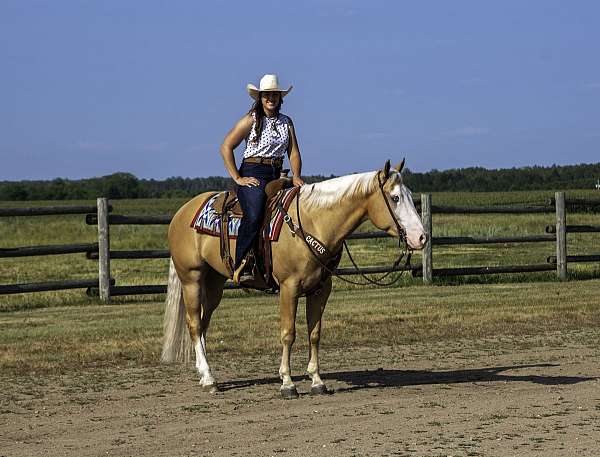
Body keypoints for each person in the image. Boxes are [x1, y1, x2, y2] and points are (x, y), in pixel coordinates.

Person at [220, 74, 305, 284]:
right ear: (260, 97)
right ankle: (244, 263)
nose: (271, 99)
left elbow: (293, 152)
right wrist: (238, 177)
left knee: (299, 208)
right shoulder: (251, 119)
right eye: (267, 95)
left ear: (280, 97)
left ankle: (289, 263)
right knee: (256, 213)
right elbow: (226, 146)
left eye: (274, 95)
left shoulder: (287, 122)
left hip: (277, 174)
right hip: (253, 172)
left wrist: (296, 176)